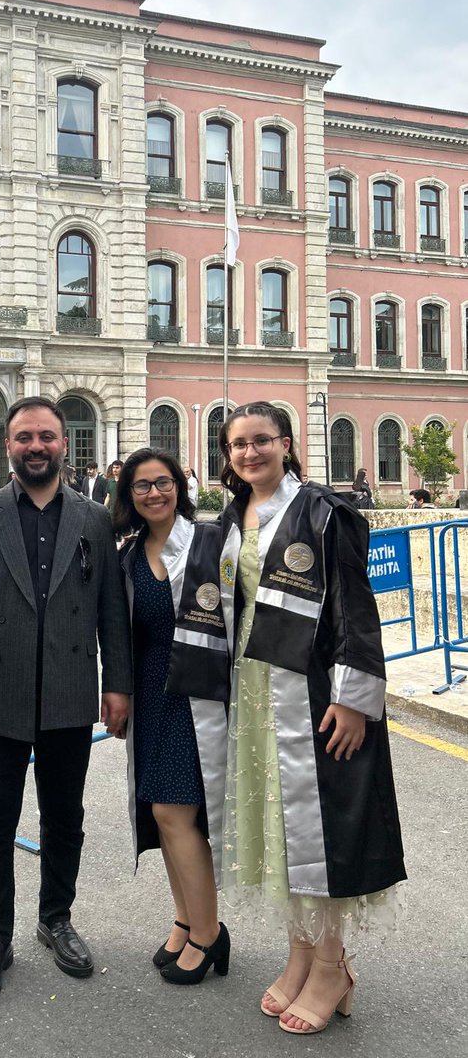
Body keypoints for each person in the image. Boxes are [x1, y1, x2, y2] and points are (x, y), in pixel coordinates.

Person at [216, 401, 405, 1035]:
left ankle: (332, 965)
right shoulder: (233, 513)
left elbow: (357, 605)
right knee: (282, 827)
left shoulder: (326, 514)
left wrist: (354, 698)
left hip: (315, 688)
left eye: (261, 440)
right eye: (239, 444)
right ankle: (301, 953)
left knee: (319, 830)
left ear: (288, 443)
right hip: (256, 686)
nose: (250, 453)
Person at [0, 396, 132, 1007]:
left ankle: (56, 917)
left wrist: (117, 684)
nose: (36, 447)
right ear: (8, 445)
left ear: (62, 445)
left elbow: (112, 613)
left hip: (69, 696)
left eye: (47, 436)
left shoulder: (96, 520)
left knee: (64, 817)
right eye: (24, 437)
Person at [112, 449, 229, 985]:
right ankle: (187, 918)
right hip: (151, 693)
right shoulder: (130, 552)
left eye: (162, 483)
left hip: (194, 692)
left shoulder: (209, 543)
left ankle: (210, 934)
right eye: (141, 486)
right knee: (161, 817)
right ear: (128, 496)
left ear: (180, 486)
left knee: (176, 812)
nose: (153, 493)